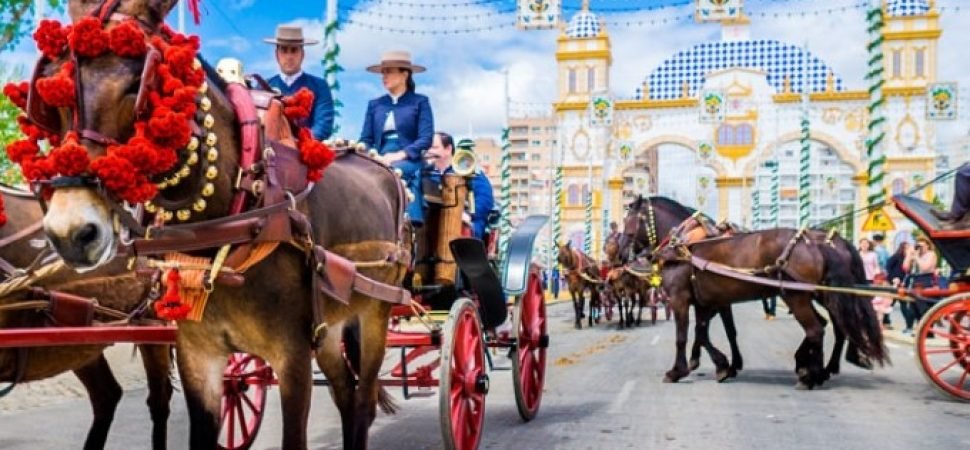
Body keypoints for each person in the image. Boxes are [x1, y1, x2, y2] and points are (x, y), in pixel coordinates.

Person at [359, 50, 434, 226]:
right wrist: (367, 154)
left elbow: (425, 138)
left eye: (389, 71)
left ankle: (408, 223)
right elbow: (365, 138)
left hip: (409, 158)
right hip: (377, 157)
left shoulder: (420, 102)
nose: (384, 76)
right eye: (383, 72)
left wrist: (399, 155)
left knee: (392, 171)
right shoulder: (375, 104)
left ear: (404, 74)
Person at [264, 25, 334, 140]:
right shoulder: (264, 87)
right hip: (270, 152)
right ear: (277, 55)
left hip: (306, 153)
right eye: (284, 50)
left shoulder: (320, 86)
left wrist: (301, 144)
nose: (289, 56)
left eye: (294, 50)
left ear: (302, 54)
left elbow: (323, 125)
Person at [424, 132, 494, 239]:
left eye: (434, 147)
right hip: (432, 221)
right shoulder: (424, 173)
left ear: (448, 149)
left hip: (466, 219)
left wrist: (469, 215)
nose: (429, 151)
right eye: (428, 147)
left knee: (464, 230)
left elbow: (485, 198)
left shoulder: (469, 170)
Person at [902, 237, 938, 335]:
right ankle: (918, 329)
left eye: (921, 246)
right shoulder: (915, 255)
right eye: (918, 245)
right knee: (913, 306)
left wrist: (917, 257)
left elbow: (925, 268)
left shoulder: (931, 254)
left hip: (926, 280)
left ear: (927, 245)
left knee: (924, 306)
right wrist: (909, 255)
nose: (919, 248)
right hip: (915, 280)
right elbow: (905, 268)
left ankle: (927, 330)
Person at [884, 241, 910, 330]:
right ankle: (886, 322)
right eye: (906, 248)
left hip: (903, 284)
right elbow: (888, 267)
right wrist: (893, 278)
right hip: (895, 283)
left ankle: (908, 324)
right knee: (890, 303)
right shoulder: (896, 257)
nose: (908, 250)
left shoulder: (909, 259)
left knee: (903, 304)